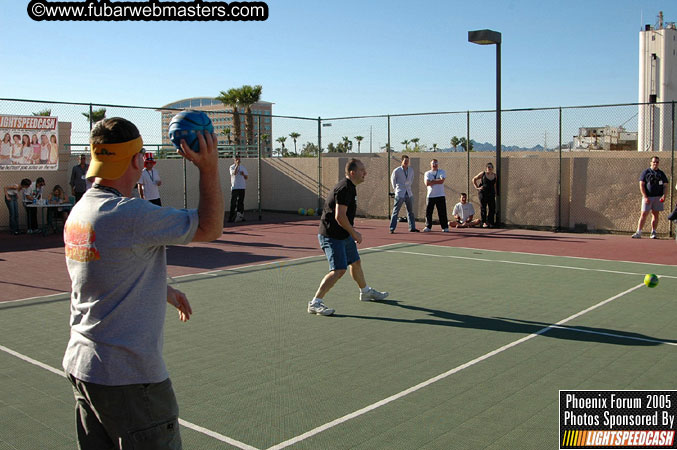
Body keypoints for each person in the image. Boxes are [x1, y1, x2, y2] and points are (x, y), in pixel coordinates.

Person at [62, 117, 224, 449]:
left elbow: (103, 273)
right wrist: (208, 168)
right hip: (129, 378)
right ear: (137, 160)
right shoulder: (129, 214)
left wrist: (162, 289)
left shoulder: (80, 212)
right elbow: (210, 227)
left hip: (85, 368)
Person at [308, 158, 389, 316]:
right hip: (331, 235)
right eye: (361, 170)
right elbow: (340, 216)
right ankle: (315, 303)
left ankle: (365, 292)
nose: (365, 173)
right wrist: (354, 233)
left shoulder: (351, 187)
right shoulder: (345, 188)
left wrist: (350, 233)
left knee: (356, 262)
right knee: (338, 270)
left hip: (342, 234)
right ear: (352, 173)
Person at [632, 156, 668, 239]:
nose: (655, 163)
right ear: (651, 163)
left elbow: (665, 186)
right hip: (648, 197)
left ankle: (653, 232)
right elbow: (641, 184)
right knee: (644, 214)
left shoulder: (661, 173)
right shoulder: (646, 172)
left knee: (655, 214)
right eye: (654, 162)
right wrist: (645, 196)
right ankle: (639, 232)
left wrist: (664, 196)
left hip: (658, 197)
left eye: (657, 162)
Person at [389, 154, 419, 233]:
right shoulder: (397, 170)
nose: (406, 162)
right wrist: (396, 190)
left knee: (410, 211)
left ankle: (412, 227)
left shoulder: (411, 170)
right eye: (405, 161)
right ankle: (392, 228)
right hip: (400, 193)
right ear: (401, 161)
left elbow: (411, 179)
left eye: (407, 161)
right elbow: (393, 181)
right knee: (396, 211)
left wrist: (408, 186)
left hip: (408, 193)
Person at [422, 159, 449, 232]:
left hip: (440, 195)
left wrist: (432, 181)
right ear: (430, 164)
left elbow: (441, 181)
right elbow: (427, 183)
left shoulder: (442, 172)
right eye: (433, 163)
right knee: (429, 212)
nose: (434, 165)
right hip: (430, 196)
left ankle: (445, 227)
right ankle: (428, 226)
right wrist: (436, 181)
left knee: (442, 212)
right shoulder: (427, 173)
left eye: (436, 163)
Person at [472, 162, 497, 228]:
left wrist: (495, 192)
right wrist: (477, 188)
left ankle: (490, 222)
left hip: (491, 193)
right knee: (483, 208)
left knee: (492, 208)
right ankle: (484, 222)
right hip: (483, 192)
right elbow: (474, 179)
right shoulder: (483, 174)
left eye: (490, 167)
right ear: (486, 168)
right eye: (488, 167)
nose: (489, 168)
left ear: (493, 168)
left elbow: (495, 185)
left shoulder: (495, 175)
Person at [228, 153, 248, 222]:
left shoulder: (243, 167)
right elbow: (234, 173)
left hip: (242, 187)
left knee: (241, 202)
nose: (238, 158)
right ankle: (231, 217)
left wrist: (243, 175)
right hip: (235, 187)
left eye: (239, 157)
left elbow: (246, 177)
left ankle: (240, 216)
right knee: (233, 202)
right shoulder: (232, 167)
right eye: (236, 157)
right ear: (234, 159)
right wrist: (237, 165)